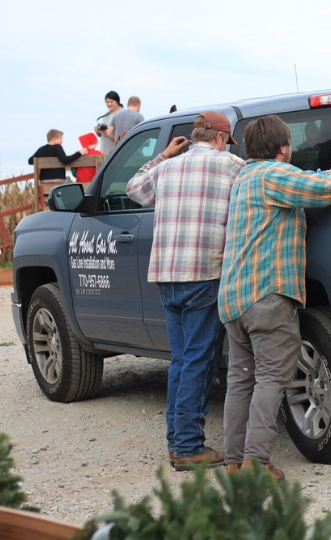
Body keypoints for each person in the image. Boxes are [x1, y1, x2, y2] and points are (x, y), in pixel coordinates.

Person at [218, 115, 331, 482]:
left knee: (241, 380)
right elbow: (314, 190)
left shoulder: (246, 178)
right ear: (284, 148)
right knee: (272, 377)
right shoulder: (272, 175)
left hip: (234, 299)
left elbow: (307, 183)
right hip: (267, 297)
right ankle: (256, 462)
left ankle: (235, 462)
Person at [126, 111, 245, 472]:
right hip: (204, 273)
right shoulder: (231, 165)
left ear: (194, 137)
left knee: (181, 359)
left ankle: (178, 443)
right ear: (222, 138)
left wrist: (163, 154)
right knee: (198, 360)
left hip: (167, 274)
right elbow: (262, 186)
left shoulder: (166, 168)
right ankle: (188, 446)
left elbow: (133, 189)